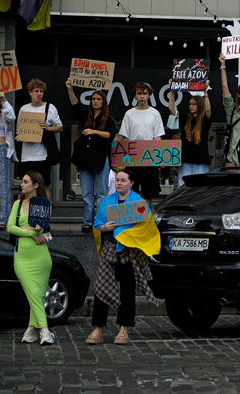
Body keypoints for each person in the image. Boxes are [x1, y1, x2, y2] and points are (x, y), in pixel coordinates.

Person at [86, 169, 160, 345]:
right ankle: (98, 329)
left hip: (130, 252)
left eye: (123, 180)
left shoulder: (139, 203)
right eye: (117, 180)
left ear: (132, 183)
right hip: (110, 249)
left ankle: (124, 329)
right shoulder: (107, 202)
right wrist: (105, 228)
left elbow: (146, 228)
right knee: (101, 287)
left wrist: (127, 234)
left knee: (127, 290)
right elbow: (97, 224)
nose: (119, 183)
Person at [7, 171, 55, 345]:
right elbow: (10, 227)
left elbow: (44, 232)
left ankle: (30, 330)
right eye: (22, 181)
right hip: (22, 257)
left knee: (39, 295)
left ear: (36, 185)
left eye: (26, 182)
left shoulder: (44, 205)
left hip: (41, 256)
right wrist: (30, 233)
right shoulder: (17, 204)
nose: (22, 184)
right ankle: (45, 330)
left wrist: (37, 233)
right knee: (33, 293)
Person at [66, 79, 117, 232]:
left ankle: (100, 221)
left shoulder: (108, 119)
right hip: (85, 160)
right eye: (93, 99)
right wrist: (70, 88)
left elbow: (111, 135)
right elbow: (75, 105)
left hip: (101, 160)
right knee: (87, 194)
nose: (95, 101)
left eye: (98, 99)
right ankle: (87, 220)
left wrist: (94, 131)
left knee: (101, 193)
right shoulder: (86, 117)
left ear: (103, 102)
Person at [118, 82, 165, 206]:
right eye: (139, 93)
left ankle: (145, 221)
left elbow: (157, 137)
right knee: (130, 190)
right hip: (133, 157)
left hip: (149, 157)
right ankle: (131, 221)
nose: (142, 96)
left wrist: (159, 157)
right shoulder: (129, 114)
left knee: (147, 192)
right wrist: (121, 159)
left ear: (149, 95)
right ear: (135, 96)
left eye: (145, 93)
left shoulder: (155, 113)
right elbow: (124, 137)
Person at [16, 79, 63, 200]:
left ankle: (46, 213)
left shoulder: (49, 107)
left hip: (43, 155)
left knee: (45, 185)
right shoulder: (24, 109)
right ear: (30, 92)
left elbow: (60, 127)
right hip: (27, 155)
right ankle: (27, 213)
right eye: (36, 91)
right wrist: (19, 136)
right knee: (27, 186)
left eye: (41, 91)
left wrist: (48, 128)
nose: (39, 93)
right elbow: (19, 130)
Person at [168, 80, 213, 186]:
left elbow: (208, 110)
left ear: (200, 105)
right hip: (185, 160)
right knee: (183, 186)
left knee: (199, 187)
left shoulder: (205, 120)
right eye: (190, 104)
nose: (191, 106)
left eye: (194, 104)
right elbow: (171, 108)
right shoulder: (184, 119)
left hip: (201, 160)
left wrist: (205, 93)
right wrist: (172, 91)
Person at [0, 90, 16, 230]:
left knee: (3, 184)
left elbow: (12, 117)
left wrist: (4, 100)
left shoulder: (5, 111)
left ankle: (3, 219)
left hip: (2, 148)